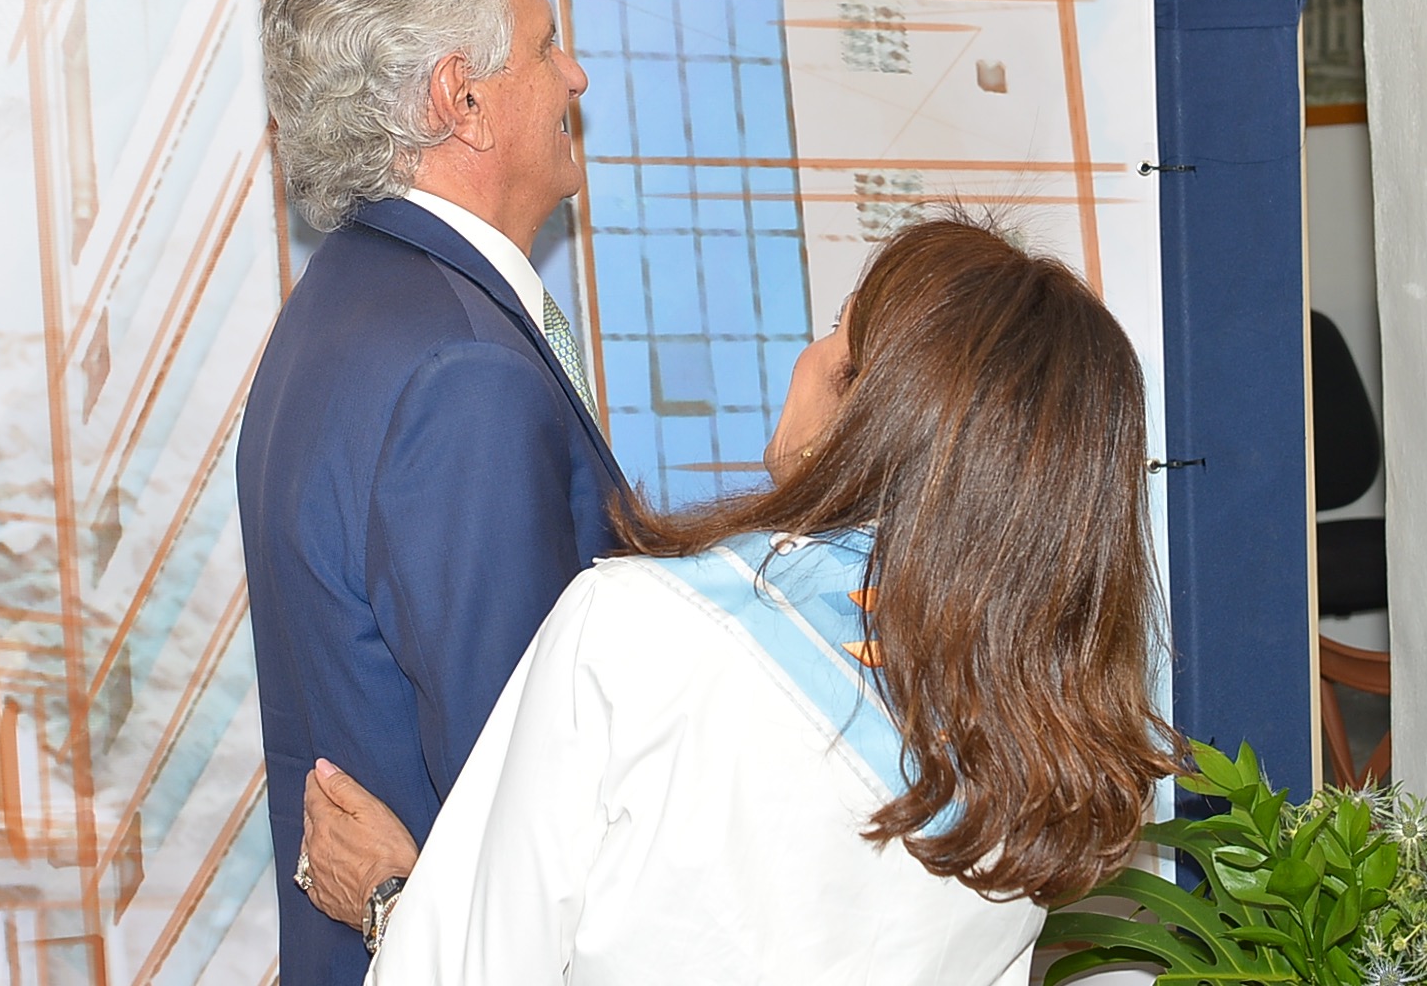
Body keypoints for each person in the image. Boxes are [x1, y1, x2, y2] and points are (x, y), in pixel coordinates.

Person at [353, 214, 1181, 983]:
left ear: (874, 409)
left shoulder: (637, 632)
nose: (809, 356)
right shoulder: (1042, 744)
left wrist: (390, 900)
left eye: (839, 329)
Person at [236, 0, 628, 983]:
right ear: (463, 98)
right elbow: (531, 816)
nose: (575, 77)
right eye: (545, 47)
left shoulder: (338, 307)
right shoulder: (464, 368)